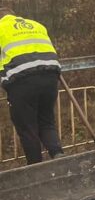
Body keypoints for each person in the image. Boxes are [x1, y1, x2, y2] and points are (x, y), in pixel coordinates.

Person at [0, 8, 64, 164]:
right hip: (50, 75)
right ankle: (59, 157)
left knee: (27, 128)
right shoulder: (36, 25)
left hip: (22, 80)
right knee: (46, 122)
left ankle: (36, 168)